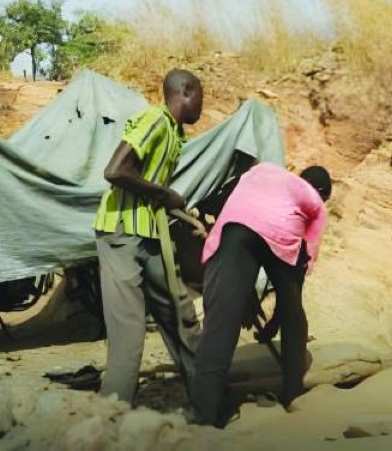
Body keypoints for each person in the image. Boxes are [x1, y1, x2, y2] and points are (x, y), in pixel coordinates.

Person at [190, 162, 332, 427]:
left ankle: (204, 417)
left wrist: (244, 299)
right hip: (280, 233)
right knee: (295, 317)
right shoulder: (315, 201)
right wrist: (278, 322)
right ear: (322, 191)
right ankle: (292, 394)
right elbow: (297, 277)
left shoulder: (262, 171)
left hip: (235, 228)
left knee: (219, 328)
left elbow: (237, 213)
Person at [93, 68, 204, 403]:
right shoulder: (155, 119)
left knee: (178, 311)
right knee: (129, 330)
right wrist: (164, 194)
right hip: (121, 233)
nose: (202, 104)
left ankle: (207, 399)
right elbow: (115, 171)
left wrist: (183, 215)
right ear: (185, 91)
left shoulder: (173, 133)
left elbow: (150, 190)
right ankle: (112, 417)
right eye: (201, 95)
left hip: (150, 236)